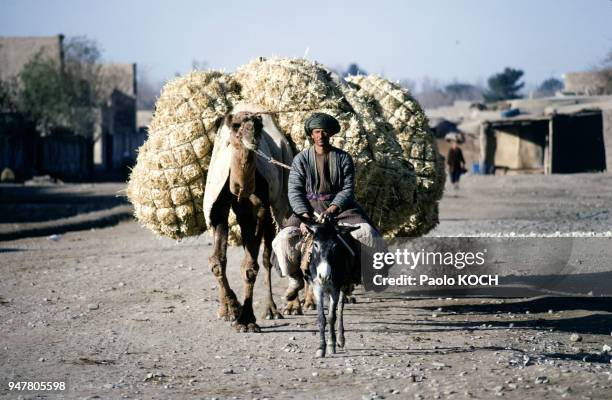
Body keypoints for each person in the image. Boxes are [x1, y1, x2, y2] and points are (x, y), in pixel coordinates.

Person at [272, 112, 380, 300]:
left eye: (324, 132)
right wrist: (305, 216)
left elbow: (347, 189)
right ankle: (295, 278)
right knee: (282, 239)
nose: (320, 136)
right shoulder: (301, 159)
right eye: (317, 132)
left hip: (340, 209)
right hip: (308, 207)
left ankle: (357, 275)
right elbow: (295, 191)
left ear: (330, 134)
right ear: (311, 135)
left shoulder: (343, 158)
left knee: (368, 233)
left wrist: (333, 208)